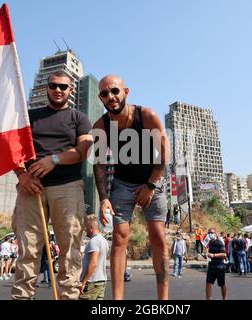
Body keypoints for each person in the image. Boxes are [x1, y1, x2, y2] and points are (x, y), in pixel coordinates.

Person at [11, 70, 93, 300]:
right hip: (30, 189)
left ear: (71, 90)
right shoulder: (29, 117)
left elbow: (82, 151)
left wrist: (53, 159)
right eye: (53, 85)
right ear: (46, 87)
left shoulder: (79, 118)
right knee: (28, 250)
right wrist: (22, 176)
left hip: (67, 187)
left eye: (63, 87)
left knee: (70, 251)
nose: (58, 90)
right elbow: (12, 149)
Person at [92, 75, 170, 300]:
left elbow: (164, 154)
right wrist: (104, 198)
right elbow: (99, 165)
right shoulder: (101, 126)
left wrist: (150, 185)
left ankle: (163, 300)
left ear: (126, 91)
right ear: (100, 98)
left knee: (158, 236)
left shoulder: (146, 115)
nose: (110, 97)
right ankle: (117, 300)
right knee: (119, 237)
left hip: (152, 179)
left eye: (114, 91)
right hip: (122, 184)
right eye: (105, 94)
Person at [79, 215, 109, 300]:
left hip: (92, 282)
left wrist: (84, 281)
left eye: (86, 228)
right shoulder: (103, 240)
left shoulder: (94, 241)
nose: (85, 230)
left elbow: (93, 263)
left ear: (91, 227)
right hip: (101, 281)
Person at [205, 228, 227, 300]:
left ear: (215, 233)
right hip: (211, 266)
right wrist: (207, 254)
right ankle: (208, 298)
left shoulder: (219, 243)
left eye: (212, 233)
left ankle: (224, 298)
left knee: (222, 284)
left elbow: (224, 255)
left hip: (219, 266)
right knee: (208, 283)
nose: (210, 234)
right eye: (209, 233)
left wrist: (214, 255)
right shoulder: (210, 243)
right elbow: (210, 253)